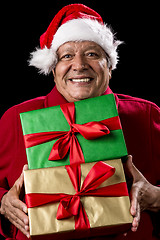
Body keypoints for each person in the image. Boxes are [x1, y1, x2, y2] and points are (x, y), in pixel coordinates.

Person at [0, 3, 160, 240]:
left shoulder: (145, 115)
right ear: (53, 69)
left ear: (111, 66)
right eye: (67, 56)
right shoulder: (14, 119)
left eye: (92, 54)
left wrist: (156, 198)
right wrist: (3, 202)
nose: (79, 65)